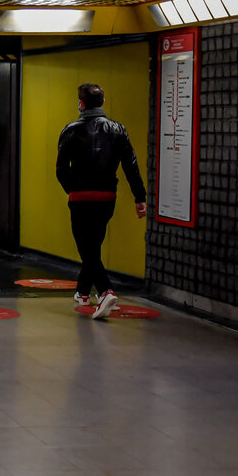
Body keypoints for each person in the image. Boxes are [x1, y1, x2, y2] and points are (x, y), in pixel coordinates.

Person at [57, 83, 147, 320]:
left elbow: (60, 169)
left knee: (86, 248)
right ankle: (83, 292)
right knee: (93, 244)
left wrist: (72, 189)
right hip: (107, 198)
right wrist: (140, 197)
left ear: (81, 103)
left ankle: (106, 291)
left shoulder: (70, 130)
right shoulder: (118, 130)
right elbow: (131, 165)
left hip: (80, 197)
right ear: (103, 103)